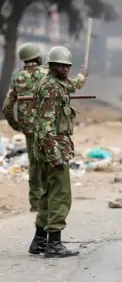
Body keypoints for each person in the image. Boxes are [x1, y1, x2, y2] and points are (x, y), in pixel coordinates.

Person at [3, 43, 88, 213]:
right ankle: (49, 203)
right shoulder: (47, 74)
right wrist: (82, 76)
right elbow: (71, 86)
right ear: (38, 57)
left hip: (29, 128)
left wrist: (17, 125)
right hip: (51, 128)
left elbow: (7, 106)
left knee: (35, 165)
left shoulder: (18, 76)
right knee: (53, 166)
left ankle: (36, 203)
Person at [29, 46, 84, 257]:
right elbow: (45, 124)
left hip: (47, 148)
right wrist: (55, 155)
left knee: (47, 193)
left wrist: (82, 75)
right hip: (53, 149)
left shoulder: (55, 84)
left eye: (67, 66)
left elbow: (72, 86)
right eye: (60, 65)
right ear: (50, 66)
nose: (64, 68)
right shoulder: (51, 87)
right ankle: (54, 244)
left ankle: (39, 241)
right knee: (60, 195)